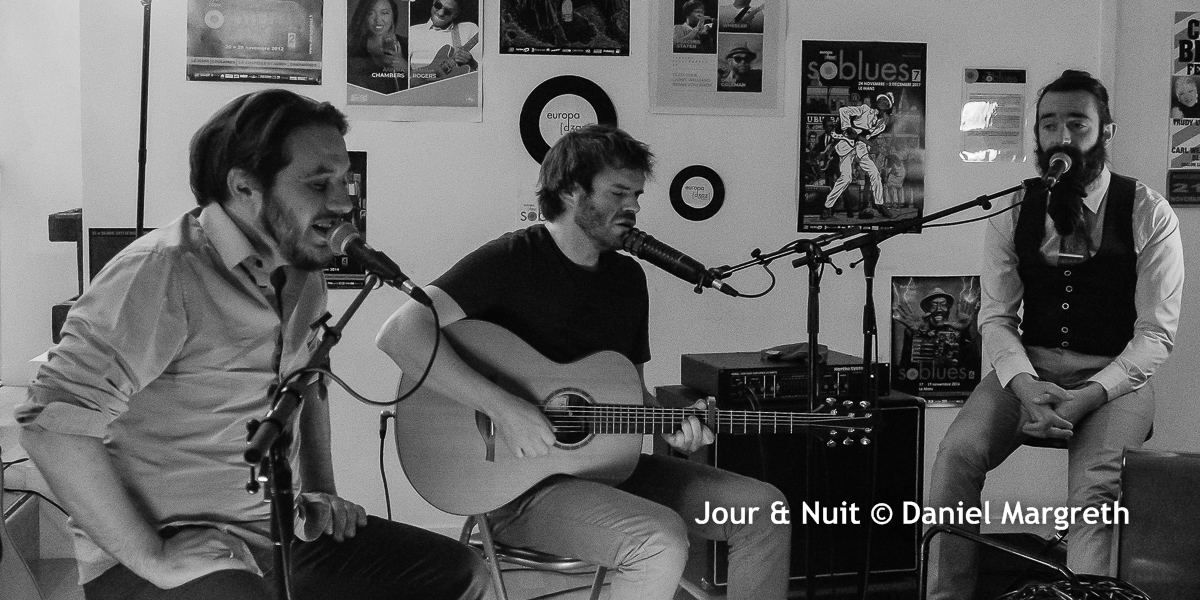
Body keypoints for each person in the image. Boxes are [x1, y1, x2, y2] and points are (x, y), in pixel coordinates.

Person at [15, 89, 493, 600]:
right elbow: (51, 424)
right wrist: (151, 556)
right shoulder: (163, 272)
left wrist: (321, 489)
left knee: (461, 573)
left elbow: (310, 383)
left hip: (277, 530)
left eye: (344, 181)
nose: (342, 202)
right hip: (168, 549)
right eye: (319, 183)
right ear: (244, 187)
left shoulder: (304, 278)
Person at [376, 125, 791, 600]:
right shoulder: (511, 259)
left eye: (636, 195)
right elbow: (400, 334)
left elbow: (629, 395)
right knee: (657, 539)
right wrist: (504, 409)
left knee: (765, 510)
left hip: (609, 471)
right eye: (618, 192)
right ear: (572, 190)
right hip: (516, 490)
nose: (633, 207)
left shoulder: (627, 279)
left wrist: (671, 425)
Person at [927, 70, 1185, 599]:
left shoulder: (1148, 210)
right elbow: (997, 317)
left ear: (1106, 132)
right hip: (1029, 368)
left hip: (1115, 378)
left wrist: (1089, 395)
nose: (1061, 137)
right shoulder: (1013, 208)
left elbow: (1155, 334)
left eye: (1076, 123)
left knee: (1094, 493)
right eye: (1049, 125)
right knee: (956, 455)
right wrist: (1025, 385)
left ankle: (1086, 594)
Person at [822, 92, 895, 220]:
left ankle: (880, 204)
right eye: (882, 99)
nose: (883, 102)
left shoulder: (882, 125)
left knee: (875, 173)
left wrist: (867, 143)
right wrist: (847, 128)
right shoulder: (864, 109)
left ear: (888, 107)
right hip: (847, 147)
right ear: (877, 101)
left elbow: (869, 137)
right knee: (846, 178)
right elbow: (843, 111)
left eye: (886, 102)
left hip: (861, 149)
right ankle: (827, 207)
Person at [409, 0, 479, 85]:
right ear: (433, 2)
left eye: (448, 11)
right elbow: (402, 72)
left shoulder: (469, 29)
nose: (441, 13)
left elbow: (487, 72)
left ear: (456, 14)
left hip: (454, 88)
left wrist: (473, 63)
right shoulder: (413, 31)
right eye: (438, 5)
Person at [347, 0, 409, 94]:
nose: (378, 20)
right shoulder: (353, 48)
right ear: (364, 16)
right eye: (370, 13)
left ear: (393, 15)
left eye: (384, 13)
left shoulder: (408, 44)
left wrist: (405, 68)